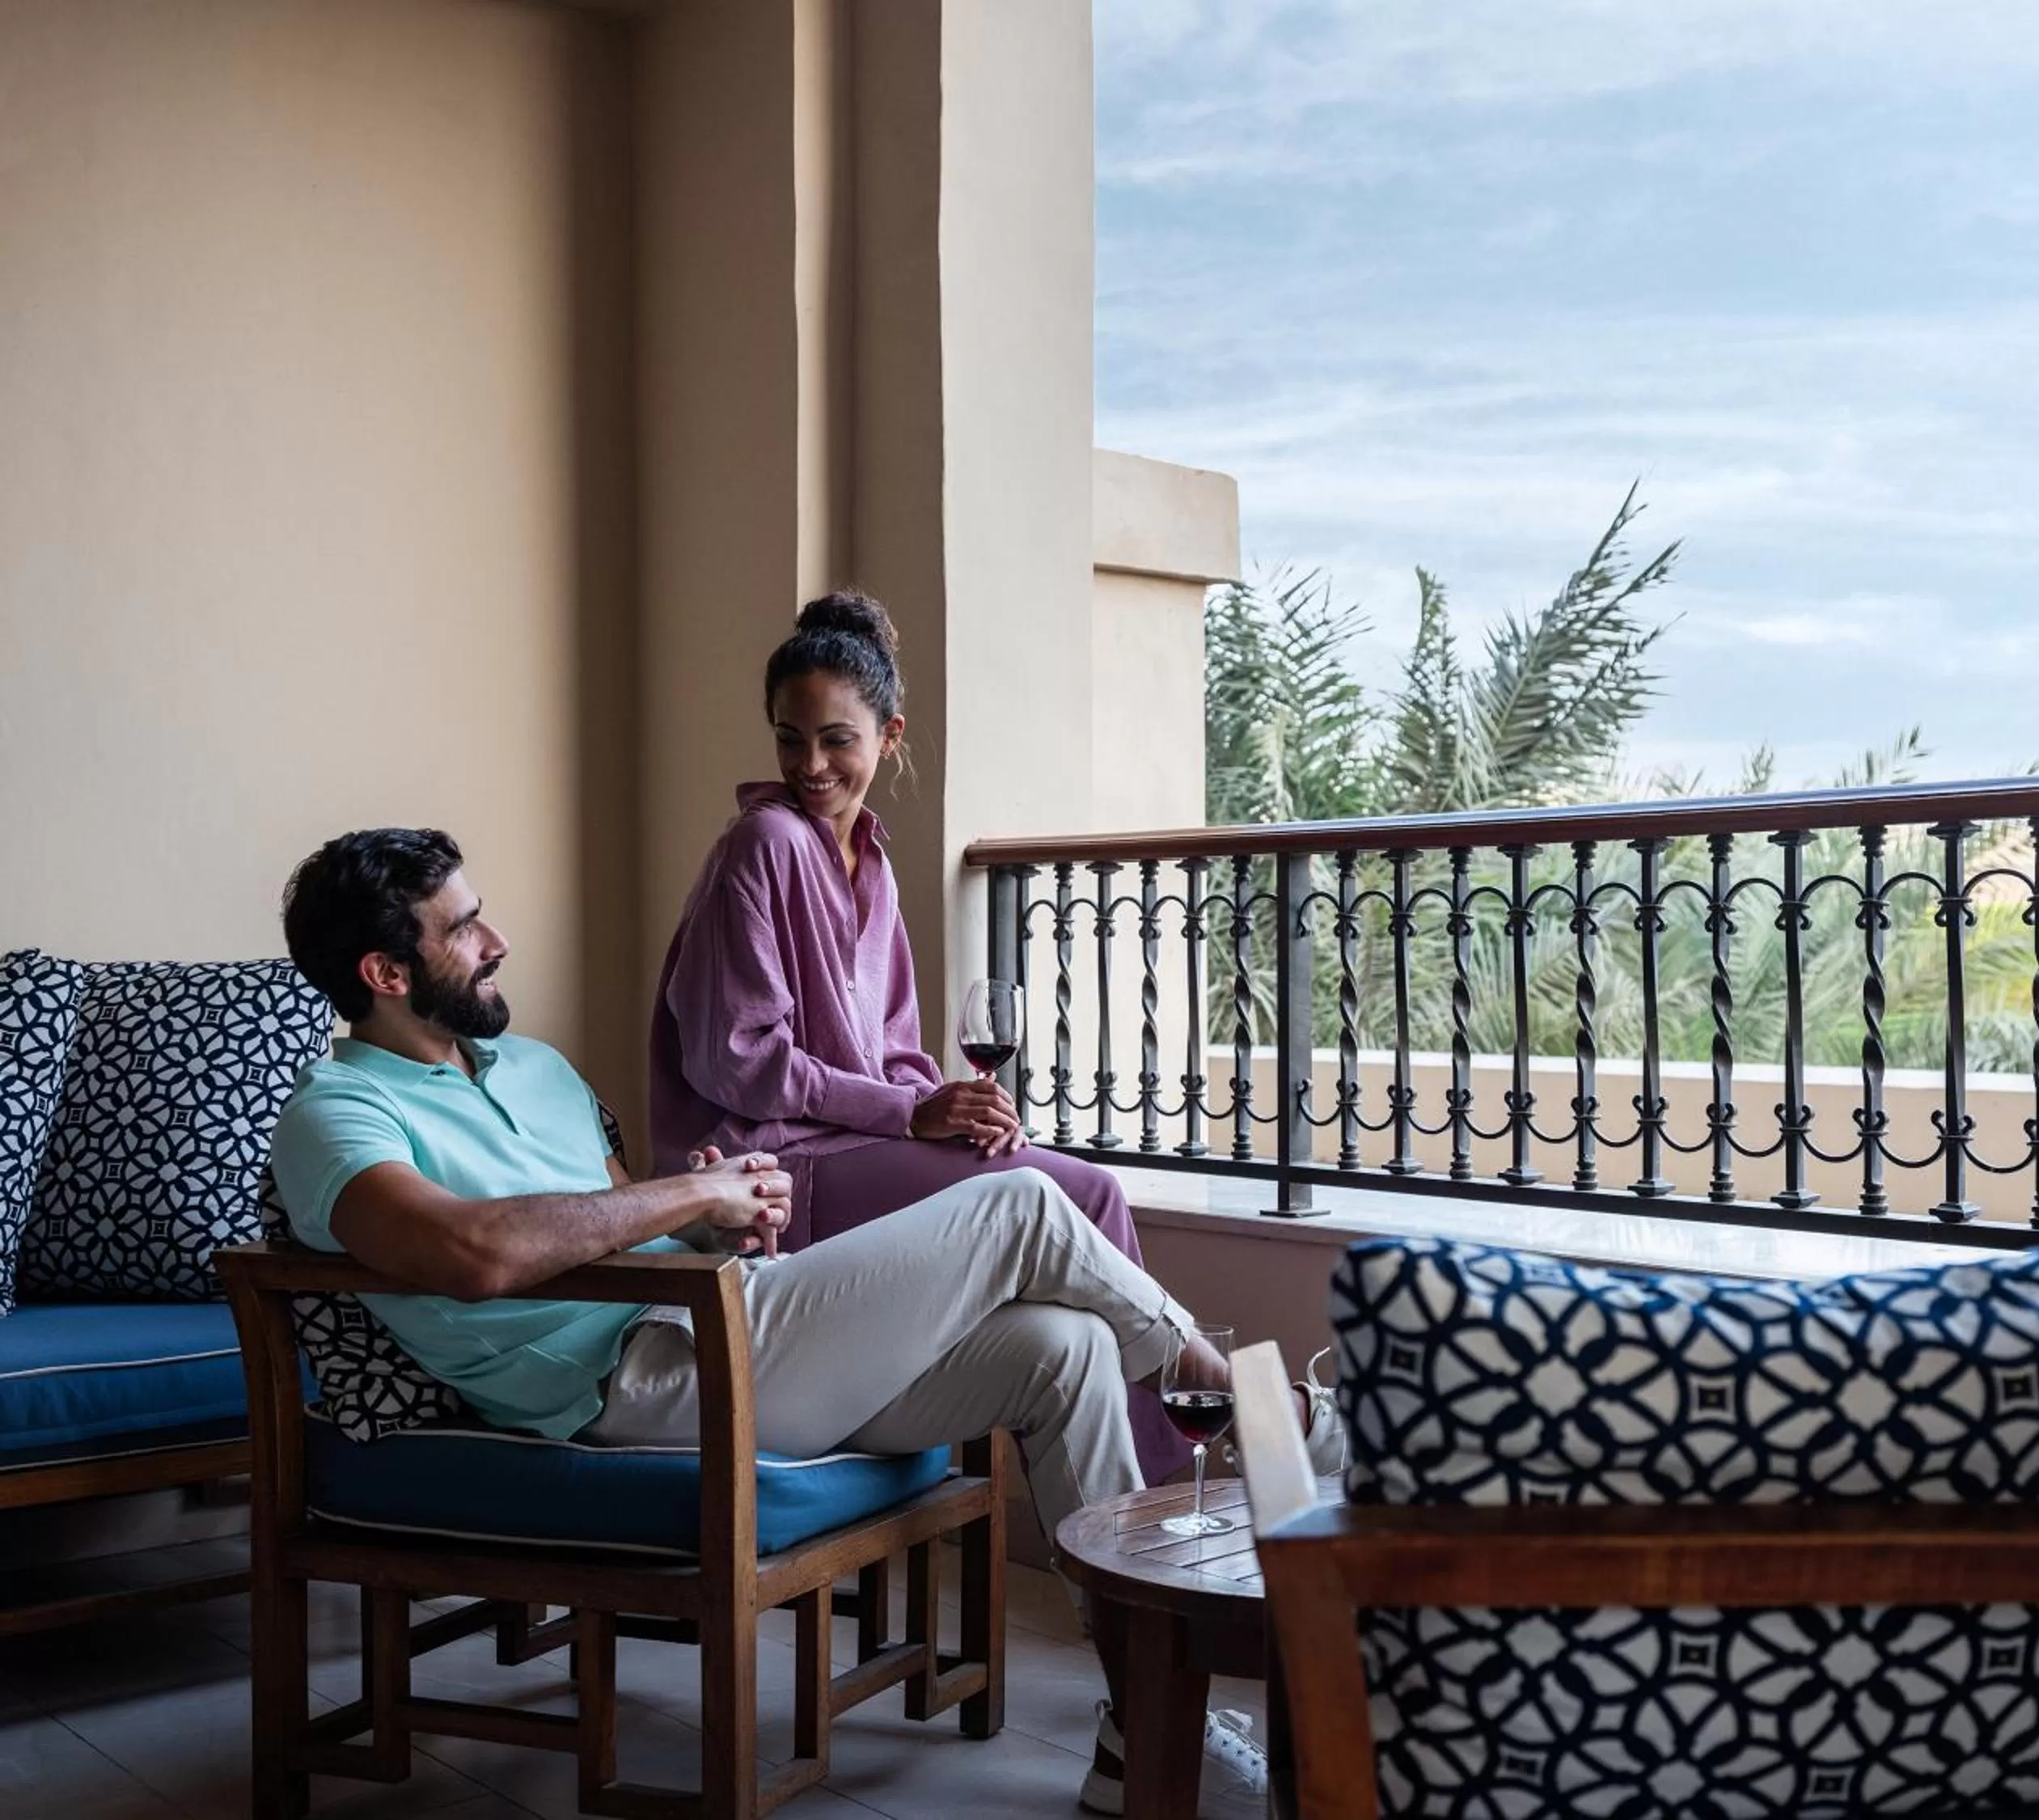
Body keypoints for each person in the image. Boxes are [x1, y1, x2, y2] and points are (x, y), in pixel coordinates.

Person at [270, 827, 1321, 1814]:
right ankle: (1251, 1403)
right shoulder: (336, 1114)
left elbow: (618, 1231)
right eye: (462, 928)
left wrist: (719, 1216)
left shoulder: (535, 1069)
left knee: (1068, 1345)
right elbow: (473, 1253)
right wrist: (689, 1200)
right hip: (623, 1388)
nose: (496, 940)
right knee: (1023, 1202)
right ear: (386, 973)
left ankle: (1141, 1732)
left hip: (715, 1332)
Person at [650, 591, 1223, 1487]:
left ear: (889, 735)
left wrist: (967, 1116)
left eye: (837, 739)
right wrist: (913, 1112)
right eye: (790, 738)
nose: (811, 764)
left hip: (854, 1149)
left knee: (1084, 1194)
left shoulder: (869, 862)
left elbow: (901, 1053)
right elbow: (736, 1060)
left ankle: (1138, 1510)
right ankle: (1168, 1494)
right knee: (1081, 1198)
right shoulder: (763, 844)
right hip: (775, 1171)